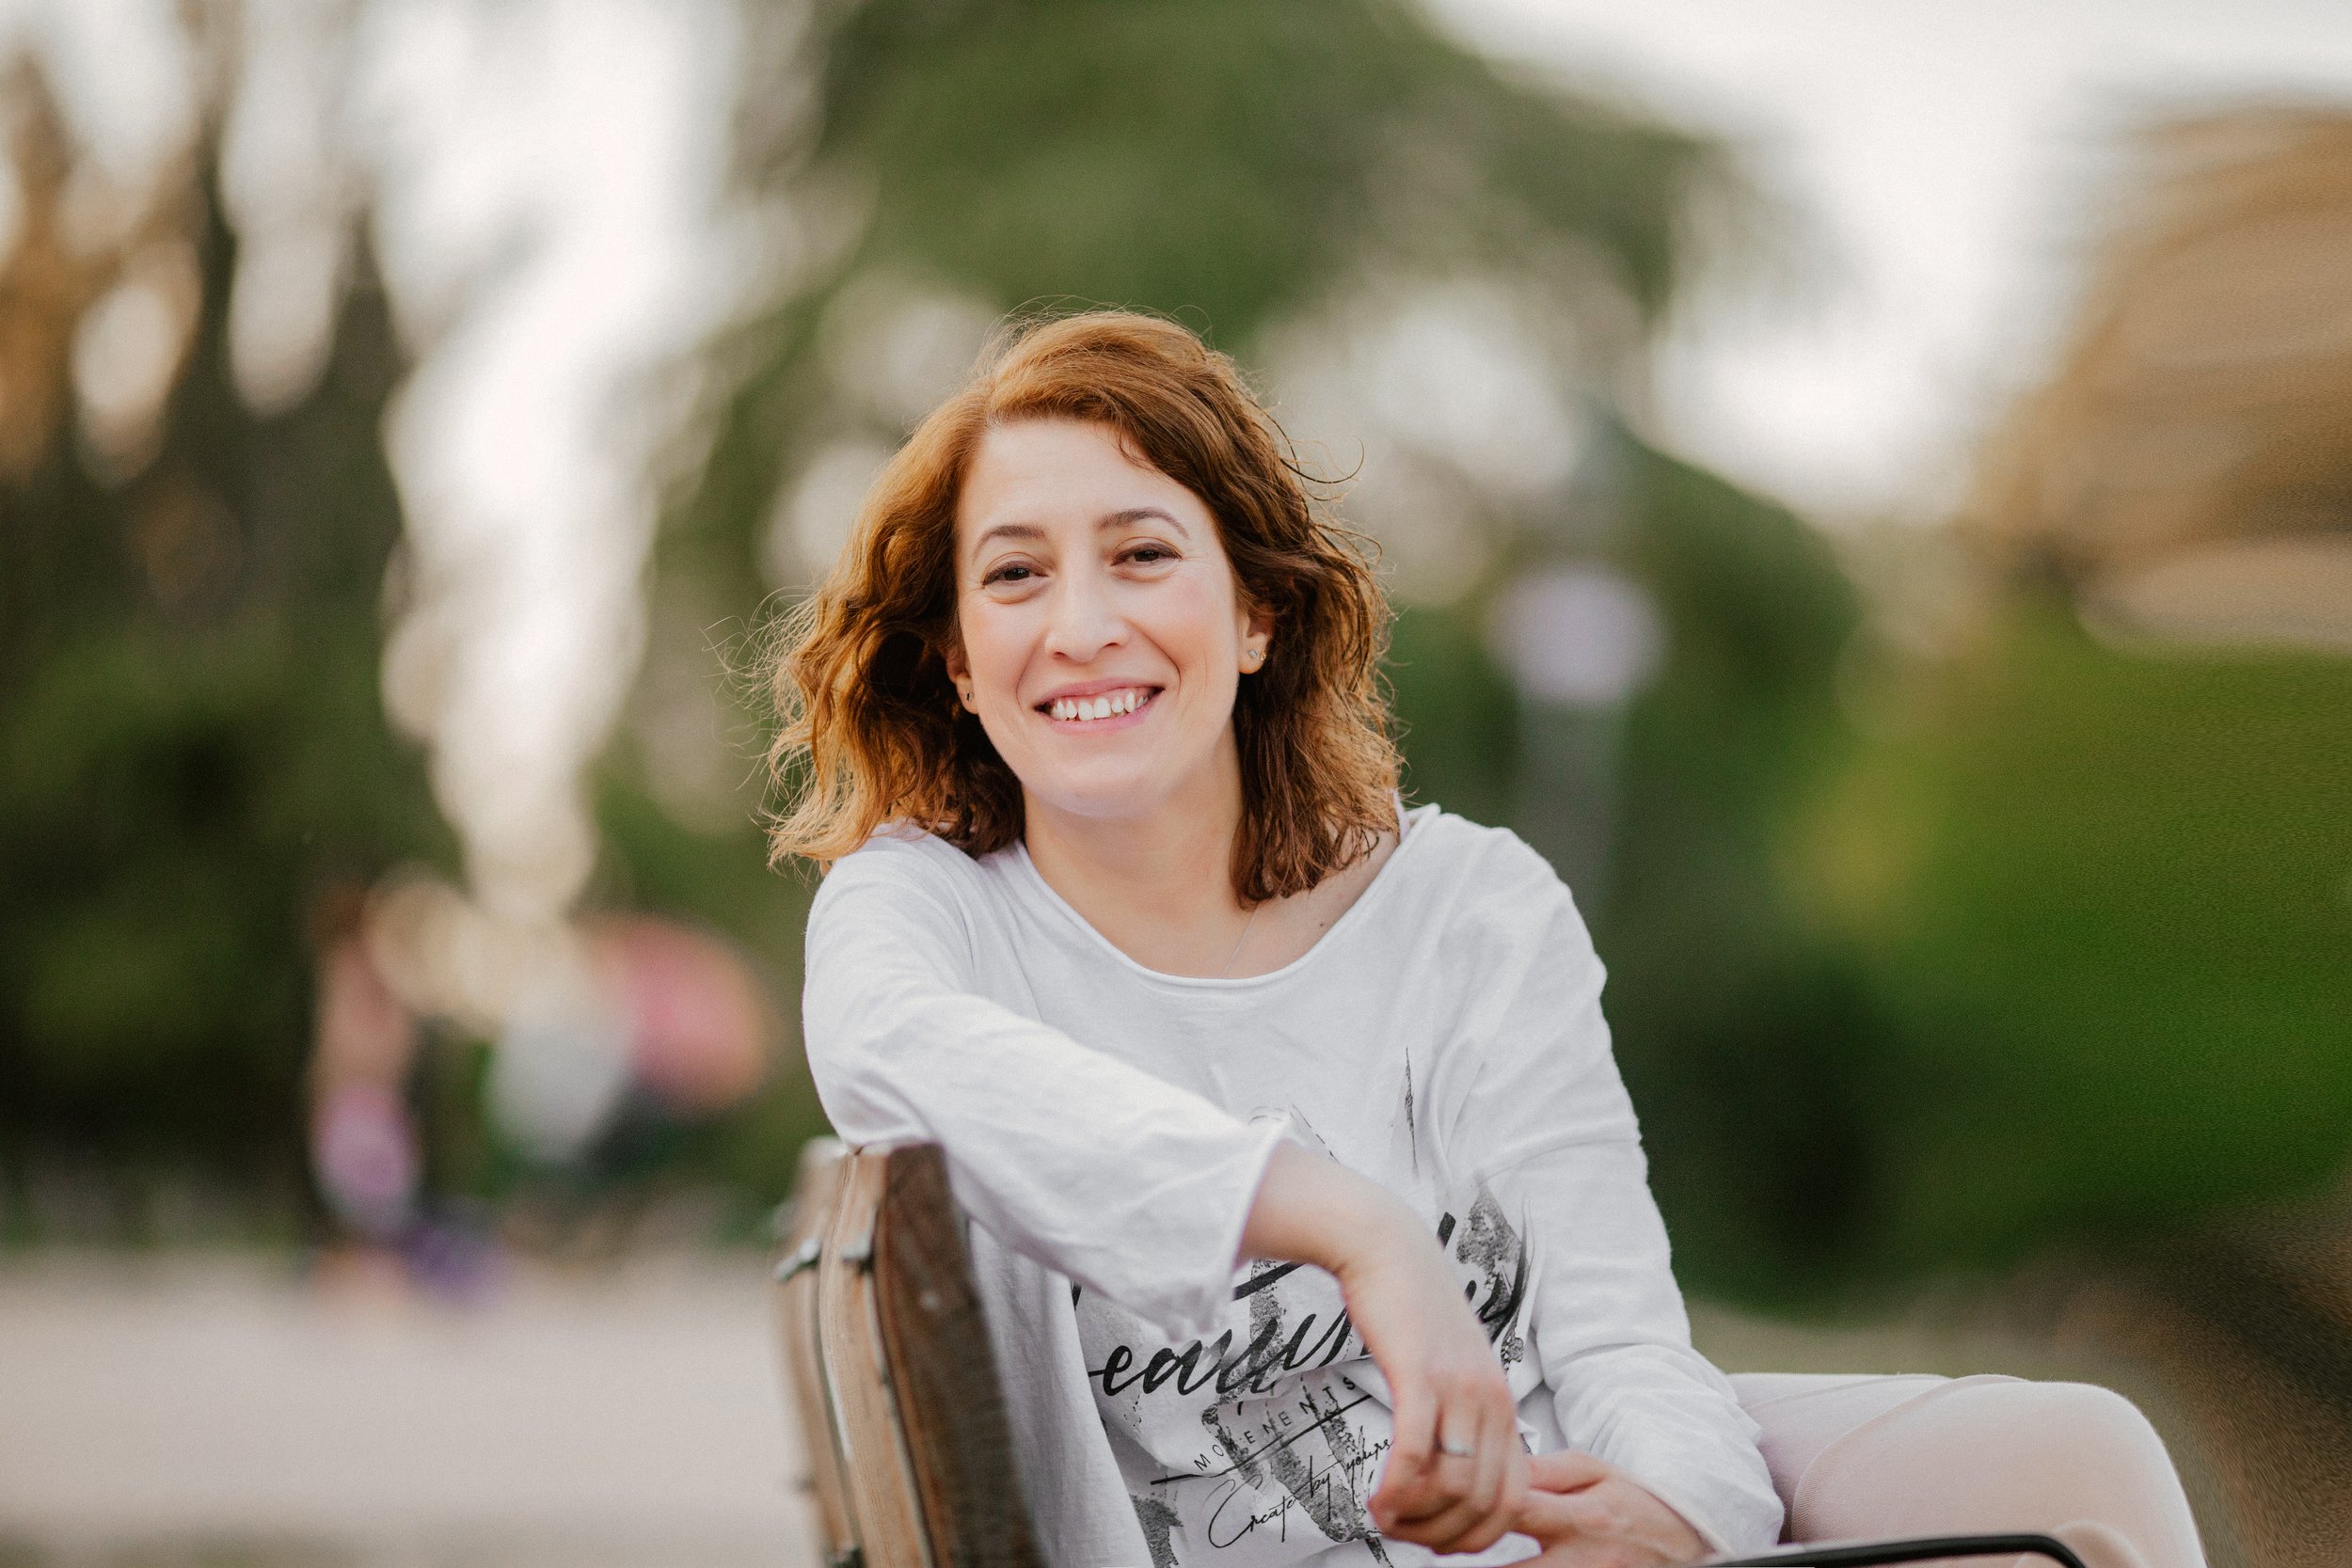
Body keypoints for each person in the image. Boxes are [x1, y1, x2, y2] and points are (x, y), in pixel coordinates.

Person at [773, 311, 2207, 1568]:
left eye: (1143, 555)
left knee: (2077, 1459)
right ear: (958, 661)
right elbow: (903, 1061)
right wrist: (1354, 1226)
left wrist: (1678, 1518)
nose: (1080, 625)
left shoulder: (1471, 907)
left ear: (1258, 611)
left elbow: (1620, 1332)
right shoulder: (922, 915)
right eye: (1015, 577)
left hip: (1549, 1519)